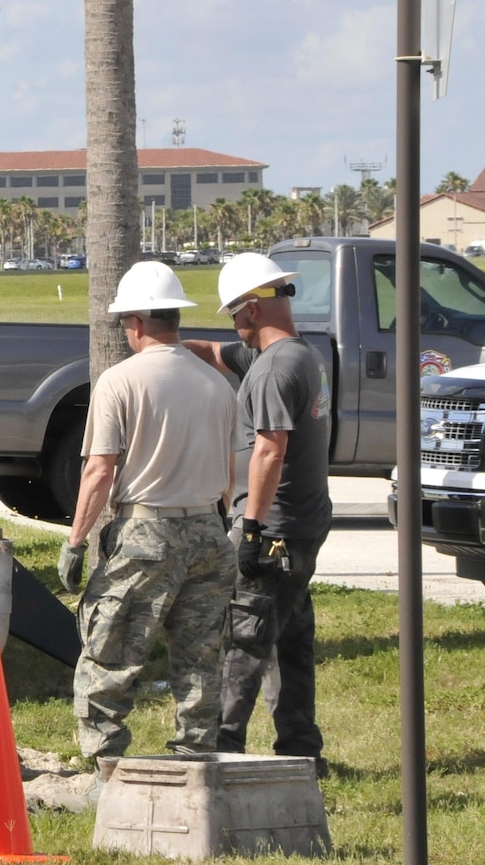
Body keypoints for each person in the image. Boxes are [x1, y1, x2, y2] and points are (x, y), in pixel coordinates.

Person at [59, 260, 239, 762]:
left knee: (109, 652)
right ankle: (195, 757)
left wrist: (76, 541)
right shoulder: (217, 385)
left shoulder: (120, 382)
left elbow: (99, 472)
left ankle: (107, 766)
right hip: (208, 530)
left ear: (136, 322)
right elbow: (229, 474)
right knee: (200, 658)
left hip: (147, 532)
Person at [183, 251, 333, 771]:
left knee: (244, 640)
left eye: (232, 315)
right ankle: (301, 749)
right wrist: (165, 346)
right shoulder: (297, 355)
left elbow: (270, 449)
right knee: (290, 638)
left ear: (251, 309)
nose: (232, 327)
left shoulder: (272, 371)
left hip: (274, 528)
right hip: (303, 524)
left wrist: (250, 529)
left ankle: (222, 749)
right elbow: (214, 353)